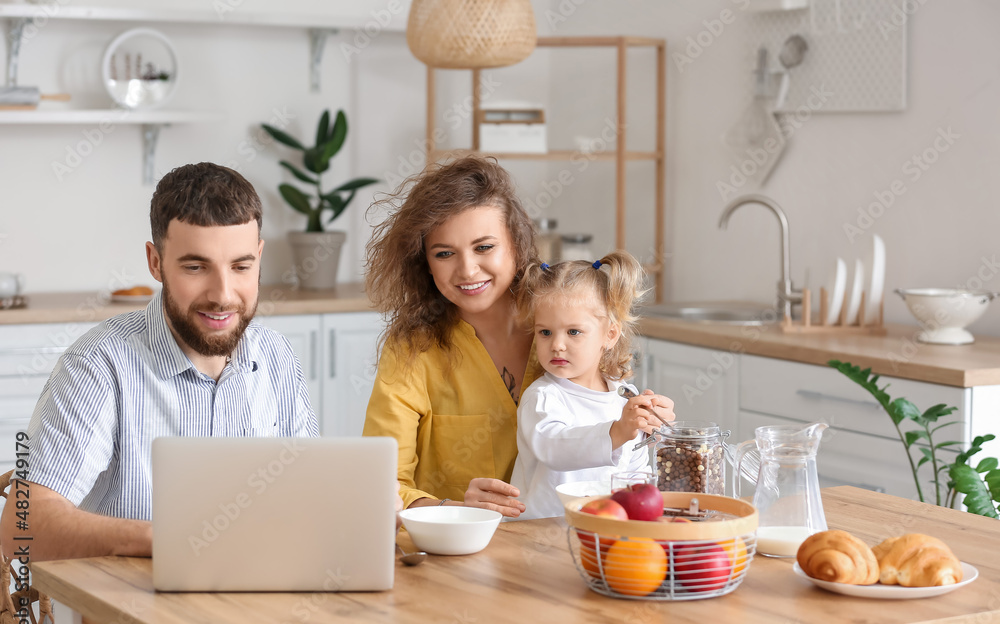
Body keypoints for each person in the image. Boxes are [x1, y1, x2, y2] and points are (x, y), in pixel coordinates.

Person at [0, 162, 326, 562]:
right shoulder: (99, 366)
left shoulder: (276, 356)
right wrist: (171, 540)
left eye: (241, 267)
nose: (223, 295)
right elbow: (22, 530)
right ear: (155, 263)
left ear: (259, 257)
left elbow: (308, 494)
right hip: (124, 616)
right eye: (195, 267)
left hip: (253, 599)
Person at [363, 156, 542, 518]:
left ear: (517, 245)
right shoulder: (412, 351)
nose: (467, 270)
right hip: (450, 557)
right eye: (444, 254)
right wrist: (452, 508)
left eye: (484, 247)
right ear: (424, 264)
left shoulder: (566, 328)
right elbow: (379, 484)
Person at [509, 251, 675, 520]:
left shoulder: (624, 398)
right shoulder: (542, 397)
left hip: (604, 528)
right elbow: (554, 448)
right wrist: (618, 431)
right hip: (539, 532)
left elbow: (635, 474)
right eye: (545, 332)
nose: (557, 344)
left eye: (573, 332)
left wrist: (654, 432)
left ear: (609, 335)